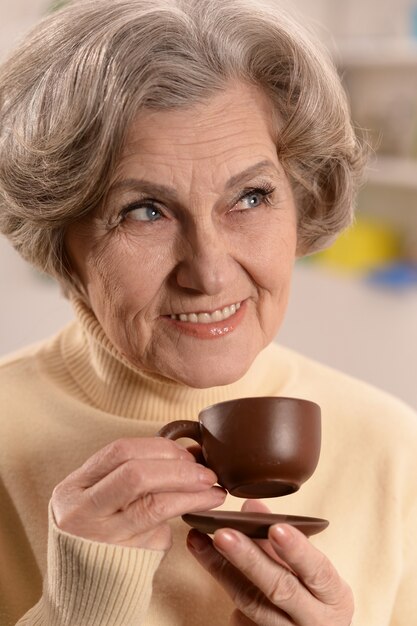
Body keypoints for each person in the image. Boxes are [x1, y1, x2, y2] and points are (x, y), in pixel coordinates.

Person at [0, 0, 415, 624]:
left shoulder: (393, 446)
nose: (211, 273)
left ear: (300, 199)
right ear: (58, 238)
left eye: (251, 196)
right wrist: (75, 611)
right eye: (145, 210)